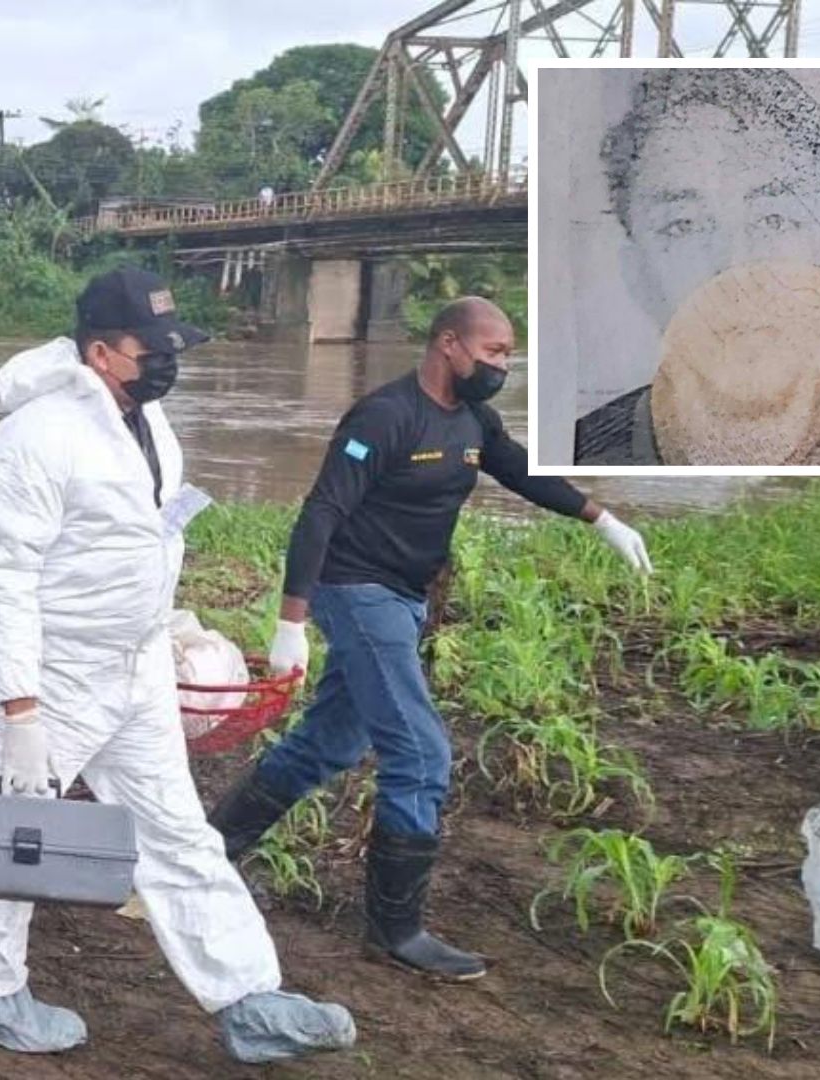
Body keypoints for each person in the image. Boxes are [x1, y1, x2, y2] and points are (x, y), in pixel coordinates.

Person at [0, 267, 356, 1064]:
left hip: (135, 671)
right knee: (15, 844)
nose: (172, 360)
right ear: (104, 351)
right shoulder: (36, 440)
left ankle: (248, 997)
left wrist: (171, 626)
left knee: (179, 834)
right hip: (57, 679)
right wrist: (21, 710)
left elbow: (149, 531)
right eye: (157, 347)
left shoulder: (147, 420)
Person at [209, 296, 654, 981]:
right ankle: (395, 930)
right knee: (419, 753)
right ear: (449, 344)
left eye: (508, 353)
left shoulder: (474, 419)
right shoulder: (384, 417)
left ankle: (205, 856)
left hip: (406, 599)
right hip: (355, 592)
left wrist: (602, 519)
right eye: (493, 352)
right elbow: (321, 511)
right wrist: (290, 620)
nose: (502, 365)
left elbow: (519, 470)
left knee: (329, 742)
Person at [574, 68, 820, 465]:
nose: (735, 271)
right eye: (684, 225)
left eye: (774, 220)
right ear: (637, 276)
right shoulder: (574, 452)